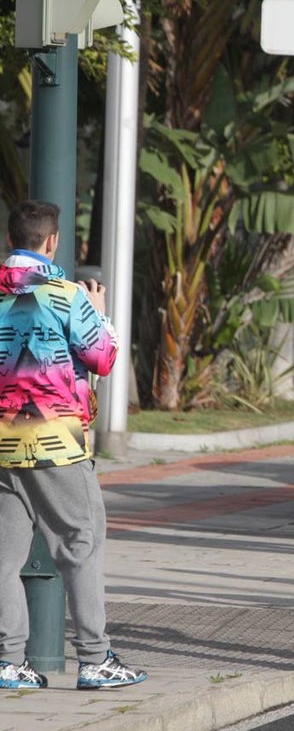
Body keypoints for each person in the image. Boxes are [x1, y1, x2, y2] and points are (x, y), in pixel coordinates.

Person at [0, 200, 147, 690]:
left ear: (9, 238)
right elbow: (103, 360)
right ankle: (95, 658)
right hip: (55, 441)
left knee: (3, 557)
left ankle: (8, 661)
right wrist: (100, 314)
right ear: (52, 241)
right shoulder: (65, 294)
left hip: (2, 442)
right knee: (82, 544)